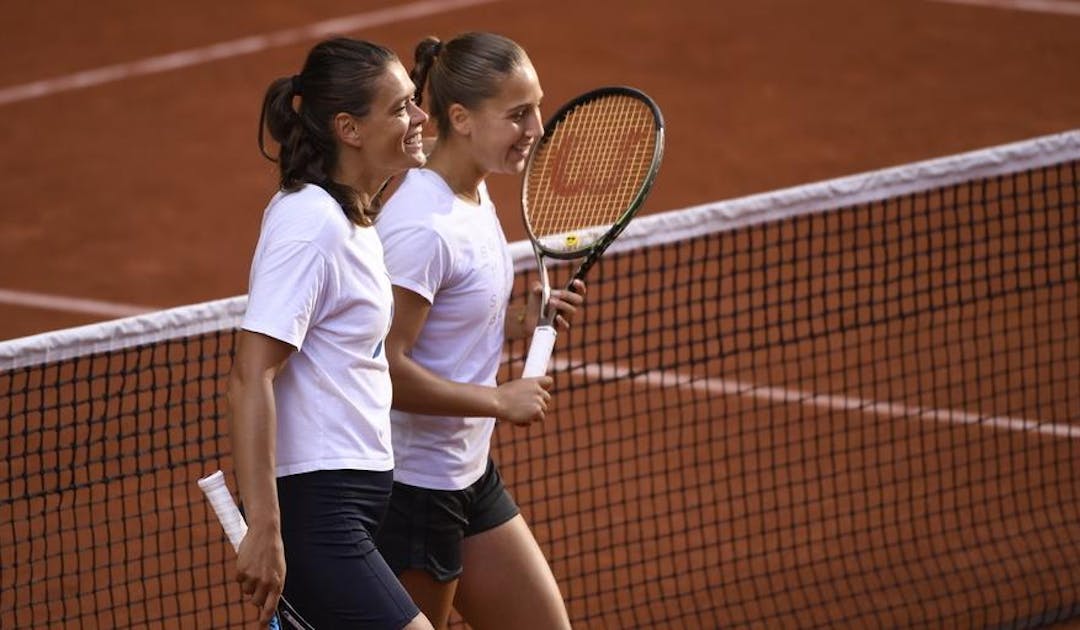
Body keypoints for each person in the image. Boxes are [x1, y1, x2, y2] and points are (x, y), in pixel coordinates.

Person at [374, 32, 583, 630]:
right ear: (460, 118)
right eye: (518, 114)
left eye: (538, 107)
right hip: (413, 492)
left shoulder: (472, 189)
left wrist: (521, 322)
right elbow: (384, 368)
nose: (538, 127)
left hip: (468, 475)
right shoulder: (422, 227)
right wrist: (498, 399)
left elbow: (452, 326)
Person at [228, 37, 434, 630]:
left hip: (356, 499)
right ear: (348, 128)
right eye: (400, 108)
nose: (419, 117)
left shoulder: (353, 215)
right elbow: (250, 376)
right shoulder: (308, 221)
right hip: (317, 510)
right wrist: (267, 527)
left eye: (415, 101)